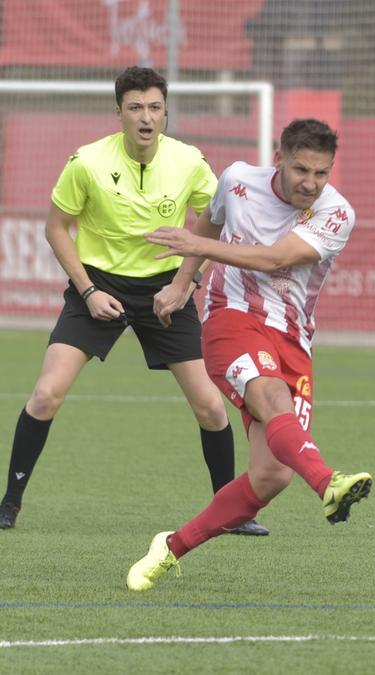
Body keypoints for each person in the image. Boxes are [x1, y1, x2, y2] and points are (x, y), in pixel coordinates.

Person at [0, 66, 266, 537]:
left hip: (167, 287)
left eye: (155, 107)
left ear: (166, 113)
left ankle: (232, 514)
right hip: (98, 286)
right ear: (119, 113)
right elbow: (55, 228)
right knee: (46, 394)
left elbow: (219, 224)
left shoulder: (189, 162)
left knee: (210, 407)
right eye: (136, 107)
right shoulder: (87, 162)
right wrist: (88, 290)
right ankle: (9, 505)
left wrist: (184, 285)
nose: (147, 117)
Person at [125, 119, 372, 591]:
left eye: (322, 173)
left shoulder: (337, 212)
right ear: (278, 159)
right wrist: (182, 283)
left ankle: (171, 547)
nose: (311, 183)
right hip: (230, 319)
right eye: (301, 169)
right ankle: (328, 484)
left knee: (271, 477)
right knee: (272, 401)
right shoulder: (237, 179)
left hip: (293, 340)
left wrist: (197, 246)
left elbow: (276, 258)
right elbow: (210, 219)